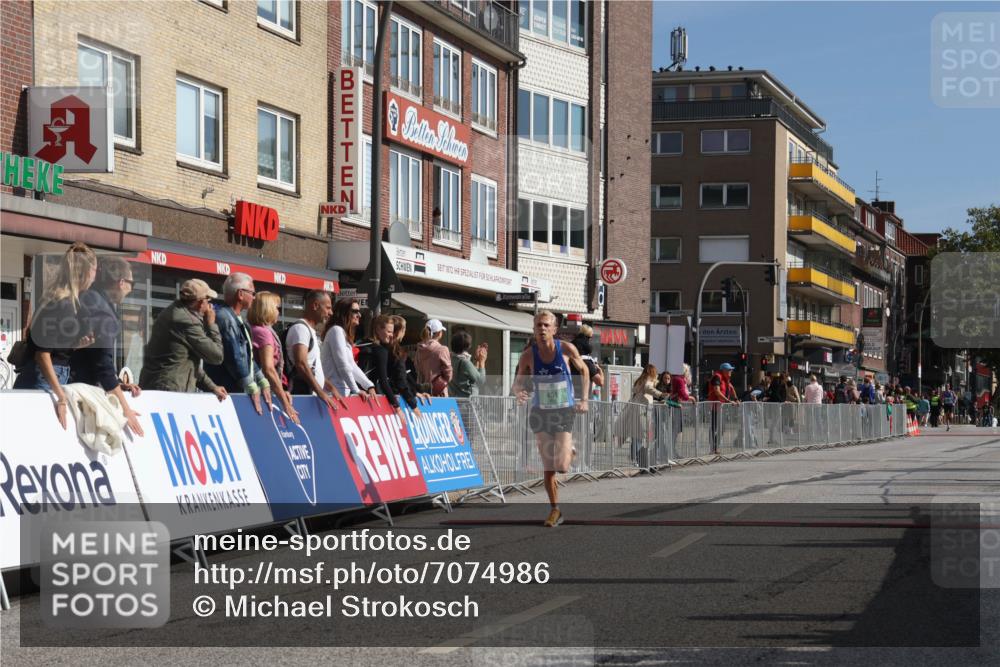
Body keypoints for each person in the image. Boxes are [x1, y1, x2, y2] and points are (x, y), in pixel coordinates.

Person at [513, 311, 589, 528]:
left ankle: (570, 451)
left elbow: (584, 371)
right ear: (534, 329)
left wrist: (584, 399)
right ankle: (555, 510)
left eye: (546, 325)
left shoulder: (566, 349)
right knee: (548, 467)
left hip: (563, 412)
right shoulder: (528, 355)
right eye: (538, 325)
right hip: (540, 413)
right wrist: (518, 392)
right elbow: (517, 383)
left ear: (555, 329)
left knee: (563, 466)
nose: (542, 328)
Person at [14, 243, 98, 429]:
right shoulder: (62, 304)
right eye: (94, 270)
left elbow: (51, 349)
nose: (95, 276)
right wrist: (60, 397)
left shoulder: (62, 301)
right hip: (44, 380)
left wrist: (76, 345)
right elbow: (42, 355)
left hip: (47, 377)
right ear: (84, 272)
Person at [71, 256, 144, 436]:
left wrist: (119, 384)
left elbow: (92, 356)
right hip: (77, 389)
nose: (131, 290)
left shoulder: (88, 297)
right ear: (121, 282)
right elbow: (102, 366)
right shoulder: (103, 312)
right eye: (131, 284)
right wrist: (125, 409)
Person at [139, 279, 226, 400]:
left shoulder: (175, 312)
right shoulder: (187, 322)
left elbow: (188, 363)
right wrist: (211, 324)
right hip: (169, 392)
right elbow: (217, 356)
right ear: (201, 303)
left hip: (162, 386)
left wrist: (212, 387)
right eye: (208, 300)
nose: (210, 306)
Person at [205, 273, 272, 415]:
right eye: (252, 293)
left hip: (234, 392)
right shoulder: (225, 318)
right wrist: (251, 386)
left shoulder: (238, 319)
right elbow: (234, 357)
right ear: (240, 294)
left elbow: (247, 357)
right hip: (227, 395)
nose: (254, 297)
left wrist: (261, 381)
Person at [284, 290, 345, 412]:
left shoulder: (310, 331)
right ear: (315, 305)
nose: (331, 313)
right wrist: (320, 392)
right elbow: (301, 364)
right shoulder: (301, 329)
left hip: (310, 396)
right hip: (302, 398)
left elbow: (313, 366)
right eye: (328, 308)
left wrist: (330, 387)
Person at [247, 291, 299, 425]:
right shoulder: (264, 333)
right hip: (263, 394)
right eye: (277, 308)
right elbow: (269, 369)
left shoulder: (257, 329)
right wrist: (286, 403)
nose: (278, 312)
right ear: (267, 309)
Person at [358, 314, 421, 414]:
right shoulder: (381, 350)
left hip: (356, 393)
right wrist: (397, 406)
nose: (391, 335)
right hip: (373, 398)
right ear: (378, 329)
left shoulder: (361, 343)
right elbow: (384, 381)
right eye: (389, 331)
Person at [321, 298, 375, 400]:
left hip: (342, 392)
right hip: (332, 394)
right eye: (355, 311)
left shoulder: (342, 333)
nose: (359, 315)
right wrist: (356, 390)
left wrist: (369, 385)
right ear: (343, 313)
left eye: (359, 312)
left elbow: (351, 365)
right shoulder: (336, 330)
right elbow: (342, 364)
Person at [415, 319, 452, 397]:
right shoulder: (442, 349)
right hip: (438, 391)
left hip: (422, 391)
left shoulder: (419, 349)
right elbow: (448, 374)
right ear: (439, 333)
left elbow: (417, 367)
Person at [448, 329, 487, 398]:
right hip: (466, 403)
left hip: (454, 399)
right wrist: (482, 361)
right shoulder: (464, 362)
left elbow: (471, 375)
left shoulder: (450, 358)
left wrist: (477, 360)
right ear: (468, 346)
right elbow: (481, 381)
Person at [570, 326, 604, 401]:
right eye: (589, 338)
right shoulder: (587, 363)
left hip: (569, 400)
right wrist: (600, 370)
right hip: (583, 401)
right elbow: (600, 382)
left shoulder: (569, 361)